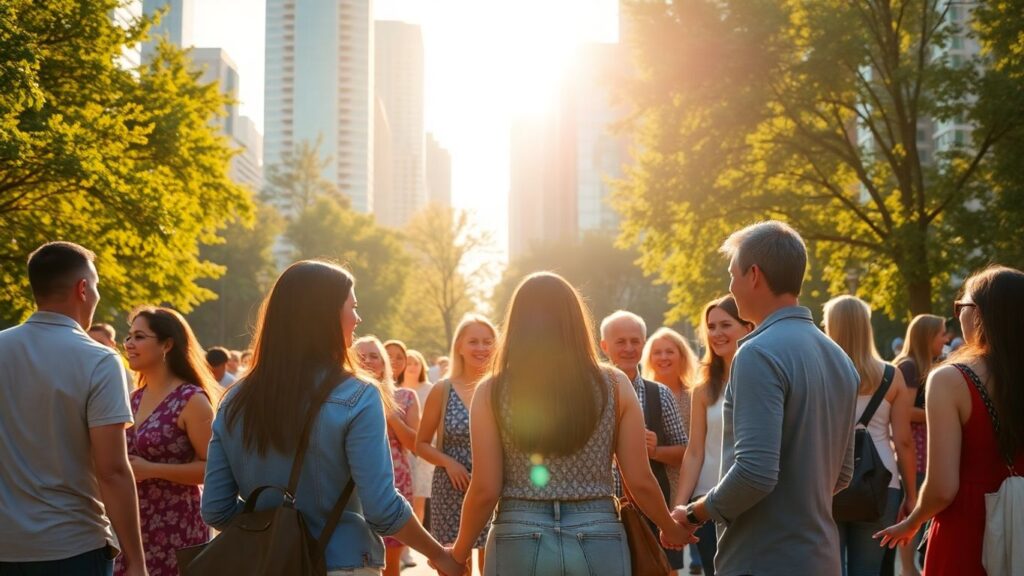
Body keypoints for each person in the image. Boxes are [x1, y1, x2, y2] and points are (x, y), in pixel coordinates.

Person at [201, 260, 462, 576]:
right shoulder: (358, 395)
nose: (358, 318)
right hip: (342, 562)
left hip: (262, 563)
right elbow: (382, 510)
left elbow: (216, 508)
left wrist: (276, 530)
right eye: (353, 307)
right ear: (325, 316)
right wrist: (440, 555)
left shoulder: (235, 401)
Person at [447, 272, 694, 575]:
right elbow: (640, 479)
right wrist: (669, 527)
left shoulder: (492, 390)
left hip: (518, 531)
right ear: (577, 321)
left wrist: (458, 553)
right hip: (598, 531)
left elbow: (485, 487)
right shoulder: (615, 384)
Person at [672, 221, 860, 576]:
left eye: (732, 274)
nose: (730, 286)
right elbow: (843, 474)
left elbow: (755, 473)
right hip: (821, 557)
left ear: (754, 274)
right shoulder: (840, 358)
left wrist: (695, 513)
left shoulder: (757, 353)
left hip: (763, 557)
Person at [0, 241, 146, 575]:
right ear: (83, 289)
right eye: (95, 286)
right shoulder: (100, 360)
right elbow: (112, 470)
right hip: (73, 545)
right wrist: (136, 561)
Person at [875, 266, 1024, 576]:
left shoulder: (951, 380)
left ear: (981, 314)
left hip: (968, 530)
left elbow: (943, 487)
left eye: (961, 307)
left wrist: (913, 520)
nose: (957, 316)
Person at [116, 307, 219, 576]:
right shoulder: (133, 398)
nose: (128, 344)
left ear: (167, 344)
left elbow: (212, 468)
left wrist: (151, 470)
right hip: (131, 526)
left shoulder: (191, 399)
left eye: (139, 337)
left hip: (176, 527)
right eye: (128, 336)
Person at [822, 296, 918, 576]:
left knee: (828, 569)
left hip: (825, 481)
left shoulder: (819, 372)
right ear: (867, 327)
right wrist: (911, 495)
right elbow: (903, 442)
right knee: (868, 571)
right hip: (880, 482)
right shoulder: (891, 375)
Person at [600, 310, 688, 571]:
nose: (629, 348)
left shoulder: (659, 393)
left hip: (650, 514)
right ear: (605, 346)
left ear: (643, 342)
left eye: (635, 341)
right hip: (602, 515)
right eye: (620, 341)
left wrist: (655, 450)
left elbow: (685, 451)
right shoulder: (591, 394)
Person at [674, 296, 753, 576]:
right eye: (711, 326)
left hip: (749, 500)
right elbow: (695, 451)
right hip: (705, 504)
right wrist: (679, 507)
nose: (716, 333)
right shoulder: (704, 387)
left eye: (725, 325)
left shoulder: (763, 378)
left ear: (747, 327)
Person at [416, 314, 497, 574]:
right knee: (453, 567)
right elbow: (421, 444)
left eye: (488, 341)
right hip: (451, 490)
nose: (482, 348)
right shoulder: (443, 389)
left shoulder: (501, 388)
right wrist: (448, 463)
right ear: (459, 346)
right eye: (474, 341)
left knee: (492, 566)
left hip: (493, 490)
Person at [352, 336, 420, 576]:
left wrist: (388, 410)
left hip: (394, 478)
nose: (368, 361)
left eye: (374, 356)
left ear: (384, 364)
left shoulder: (405, 397)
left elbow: (414, 444)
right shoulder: (340, 395)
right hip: (351, 484)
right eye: (362, 356)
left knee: (391, 565)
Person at [891, 313, 946, 574]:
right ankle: (908, 569)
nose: (945, 339)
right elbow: (904, 411)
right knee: (913, 512)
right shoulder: (910, 367)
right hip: (915, 450)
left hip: (923, 448)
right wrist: (940, 412)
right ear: (927, 337)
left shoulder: (925, 363)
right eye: (941, 333)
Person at [402, 349, 435, 526]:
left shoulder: (430, 389)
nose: (413, 367)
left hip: (425, 449)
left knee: (420, 498)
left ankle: (418, 542)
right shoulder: (398, 390)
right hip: (403, 450)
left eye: (416, 363)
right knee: (405, 496)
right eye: (409, 363)